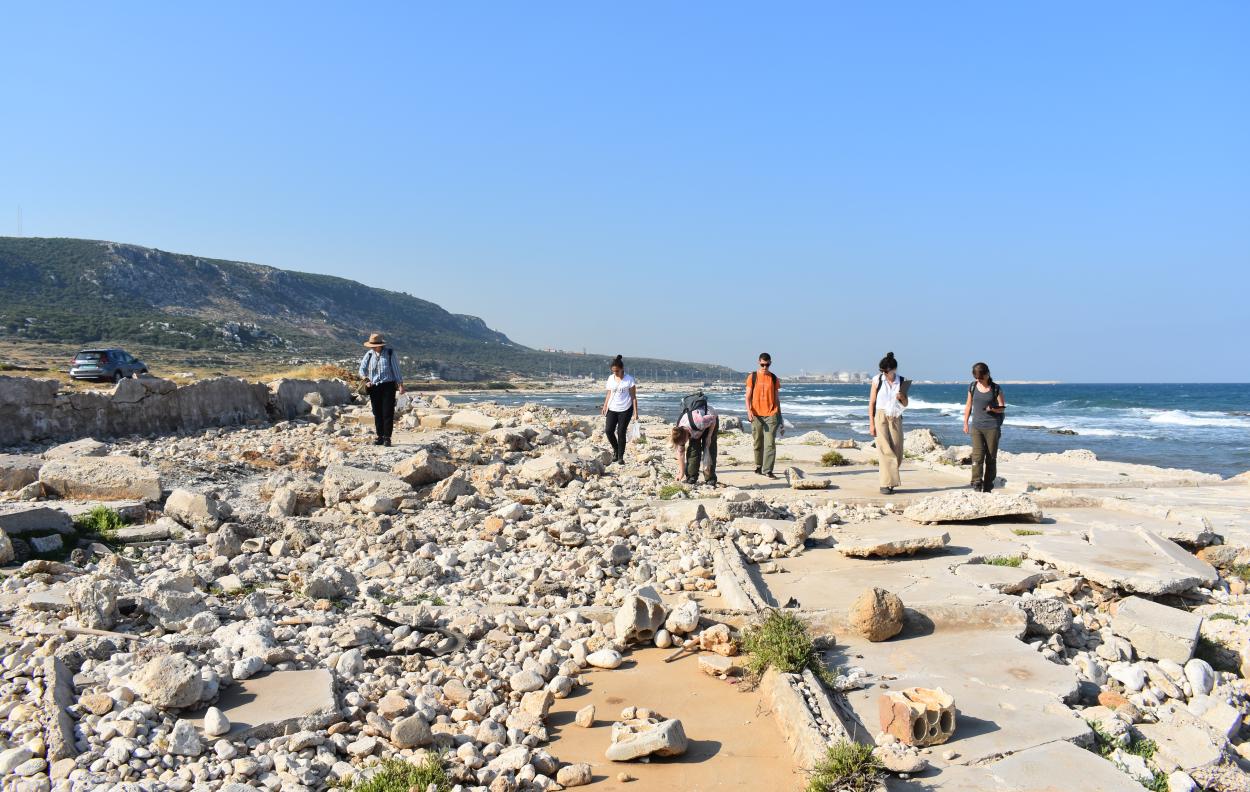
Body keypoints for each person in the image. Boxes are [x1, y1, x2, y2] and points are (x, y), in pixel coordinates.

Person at [868, 352, 908, 495]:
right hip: (880, 416)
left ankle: (890, 480)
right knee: (885, 450)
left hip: (896, 416)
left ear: (894, 370)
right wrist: (871, 423)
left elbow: (905, 404)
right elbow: (872, 403)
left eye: (886, 371)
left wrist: (902, 397)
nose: (884, 373)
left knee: (897, 451)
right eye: (882, 371)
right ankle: (885, 484)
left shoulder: (902, 381)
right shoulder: (877, 380)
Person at [963, 362, 1006, 492]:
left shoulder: (996, 388)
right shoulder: (972, 387)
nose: (978, 380)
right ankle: (976, 483)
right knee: (977, 456)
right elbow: (968, 405)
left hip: (992, 427)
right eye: (976, 378)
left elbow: (1002, 408)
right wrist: (965, 423)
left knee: (991, 458)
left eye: (981, 378)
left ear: (987, 374)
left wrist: (992, 408)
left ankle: (988, 486)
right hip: (976, 426)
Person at [358, 333, 405, 446]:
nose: (373, 347)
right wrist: (366, 380)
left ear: (381, 345)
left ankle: (387, 438)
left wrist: (401, 385)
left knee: (387, 412)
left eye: (375, 345)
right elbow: (361, 370)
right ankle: (379, 437)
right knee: (377, 412)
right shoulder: (369, 354)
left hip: (388, 386)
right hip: (374, 387)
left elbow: (396, 370)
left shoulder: (390, 353)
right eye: (371, 345)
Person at [745, 352, 782, 478]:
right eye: (762, 364)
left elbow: (777, 399)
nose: (765, 367)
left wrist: (780, 417)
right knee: (757, 442)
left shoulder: (773, 378)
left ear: (770, 363)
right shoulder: (752, 377)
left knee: (770, 443)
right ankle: (759, 466)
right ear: (758, 362)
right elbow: (748, 396)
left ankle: (768, 470)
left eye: (767, 365)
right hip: (756, 414)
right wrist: (749, 411)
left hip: (771, 414)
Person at [600, 355, 638, 464]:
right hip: (612, 408)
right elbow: (609, 393)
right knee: (608, 431)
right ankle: (616, 450)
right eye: (613, 371)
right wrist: (605, 406)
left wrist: (636, 413)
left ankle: (620, 457)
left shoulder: (629, 380)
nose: (615, 373)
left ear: (622, 369)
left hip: (626, 409)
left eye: (617, 371)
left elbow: (633, 397)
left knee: (621, 432)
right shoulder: (610, 378)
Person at [671, 396, 719, 485]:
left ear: (685, 436)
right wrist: (681, 473)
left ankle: (710, 478)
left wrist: (709, 436)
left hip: (709, 420)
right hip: (695, 429)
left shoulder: (698, 421)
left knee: (709, 448)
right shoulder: (679, 431)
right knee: (693, 451)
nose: (683, 444)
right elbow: (681, 453)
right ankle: (691, 477)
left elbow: (713, 418)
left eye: (683, 442)